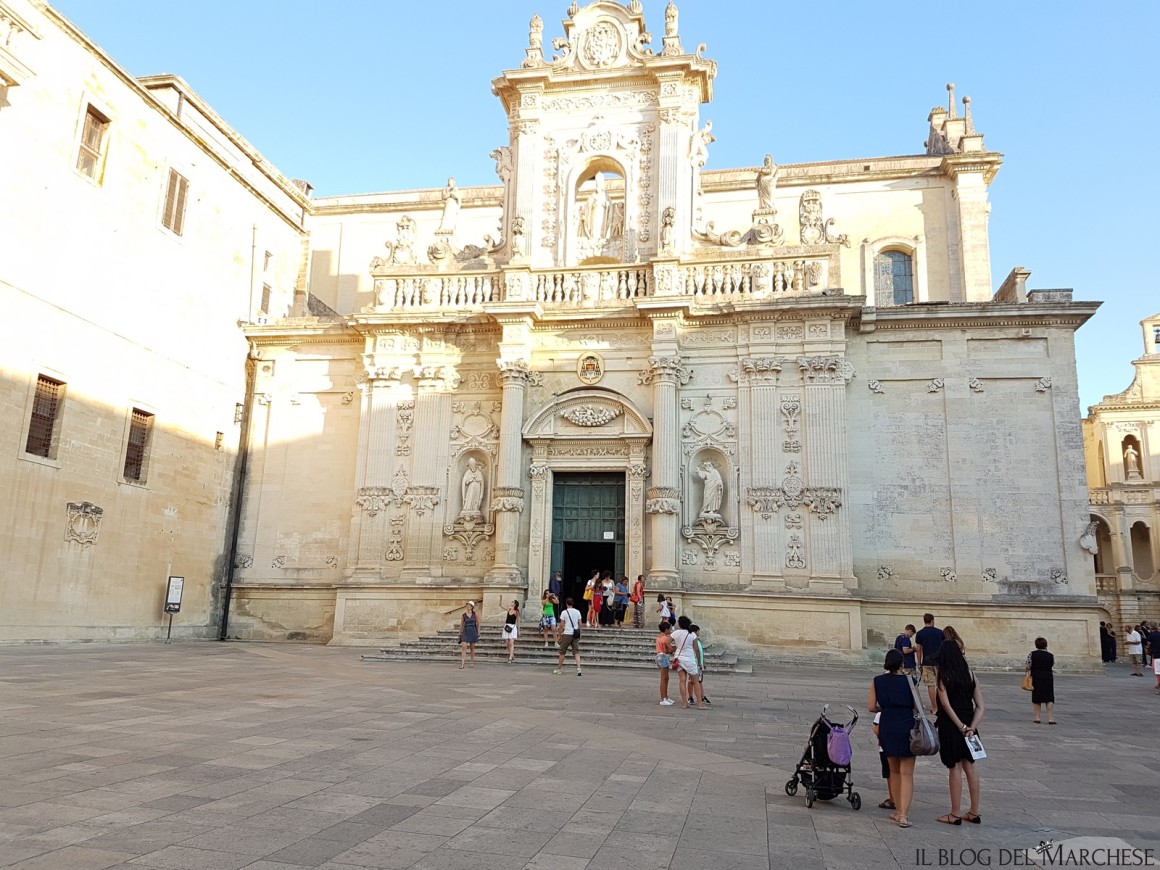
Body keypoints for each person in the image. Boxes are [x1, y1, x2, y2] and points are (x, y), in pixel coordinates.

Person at [935, 634, 984, 824]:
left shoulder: (943, 677)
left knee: (954, 768)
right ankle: (974, 811)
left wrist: (961, 727)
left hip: (951, 726)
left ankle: (954, 814)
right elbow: (980, 706)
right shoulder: (971, 674)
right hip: (970, 725)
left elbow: (946, 706)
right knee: (970, 767)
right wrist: (971, 727)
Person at [868, 649, 916, 828]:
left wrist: (886, 708)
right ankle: (904, 814)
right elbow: (916, 706)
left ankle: (896, 811)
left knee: (894, 771)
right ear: (902, 664)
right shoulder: (910, 681)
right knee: (907, 773)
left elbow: (871, 706)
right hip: (906, 725)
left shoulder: (877, 681)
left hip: (887, 725)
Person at [670, 616, 707, 709]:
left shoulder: (676, 633)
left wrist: (673, 649)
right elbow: (696, 650)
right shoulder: (692, 635)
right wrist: (699, 662)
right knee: (695, 682)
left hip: (679, 658)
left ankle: (684, 703)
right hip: (689, 659)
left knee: (682, 681)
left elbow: (666, 642)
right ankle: (700, 703)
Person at [914, 613, 944, 714]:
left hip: (926, 662)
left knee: (930, 685)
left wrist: (919, 663)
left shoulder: (920, 633)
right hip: (939, 662)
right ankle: (942, 706)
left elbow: (919, 649)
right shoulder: (940, 633)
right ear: (932, 620)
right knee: (940, 684)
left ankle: (934, 708)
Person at [1026, 637, 1055, 724]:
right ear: (1046, 645)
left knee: (1037, 697)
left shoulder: (1032, 654)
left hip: (1036, 677)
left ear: (1036, 645)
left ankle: (1037, 718)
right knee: (1049, 698)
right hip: (1048, 677)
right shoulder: (1050, 655)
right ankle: (1051, 719)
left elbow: (1027, 666)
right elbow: (1052, 664)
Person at [554, 597, 582, 677]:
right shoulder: (577, 612)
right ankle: (579, 668)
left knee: (562, 651)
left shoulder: (564, 612)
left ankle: (559, 669)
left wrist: (560, 634)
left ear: (566, 603)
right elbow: (580, 624)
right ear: (573, 603)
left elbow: (562, 625)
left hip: (567, 633)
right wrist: (580, 633)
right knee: (576, 652)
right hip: (575, 633)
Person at [872, 712, 893, 811]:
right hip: (903, 748)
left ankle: (893, 799)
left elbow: (877, 730)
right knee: (904, 774)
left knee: (890, 775)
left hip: (885, 748)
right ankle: (902, 798)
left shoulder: (881, 714)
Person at [689, 624, 711, 706]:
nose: (699, 633)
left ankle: (702, 696)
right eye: (698, 631)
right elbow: (696, 652)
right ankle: (691, 697)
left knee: (700, 681)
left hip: (699, 665)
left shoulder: (698, 641)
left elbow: (701, 653)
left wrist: (703, 662)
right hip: (695, 664)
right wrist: (698, 663)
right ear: (694, 632)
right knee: (692, 681)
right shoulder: (693, 641)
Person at [656, 622, 676, 706]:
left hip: (661, 657)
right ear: (666, 629)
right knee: (664, 678)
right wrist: (676, 648)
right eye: (670, 629)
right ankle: (663, 698)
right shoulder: (665, 638)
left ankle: (665, 697)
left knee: (666, 678)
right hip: (663, 656)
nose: (671, 630)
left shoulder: (659, 637)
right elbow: (668, 649)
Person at [458, 601, 479, 669]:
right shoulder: (463, 615)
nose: (468, 606)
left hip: (473, 630)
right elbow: (461, 625)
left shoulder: (475, 614)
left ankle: (472, 662)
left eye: (469, 605)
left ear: (472, 607)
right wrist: (459, 633)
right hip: (466, 631)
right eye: (467, 605)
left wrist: (478, 631)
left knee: (472, 648)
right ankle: (462, 663)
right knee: (464, 646)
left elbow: (478, 623)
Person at [503, 599, 520, 664]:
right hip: (506, 626)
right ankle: (512, 654)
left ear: (515, 604)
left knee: (511, 642)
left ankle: (510, 658)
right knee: (507, 643)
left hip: (512, 627)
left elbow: (518, 620)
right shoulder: (509, 609)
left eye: (513, 602)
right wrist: (501, 599)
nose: (511, 602)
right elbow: (501, 605)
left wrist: (519, 630)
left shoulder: (516, 611)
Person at [1148, 623, 1160, 694]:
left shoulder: (1152, 635)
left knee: (1158, 672)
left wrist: (1148, 649)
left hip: (1157, 655)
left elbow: (1148, 644)